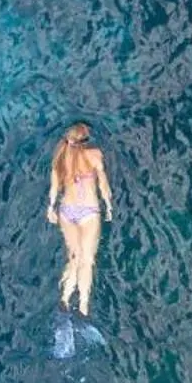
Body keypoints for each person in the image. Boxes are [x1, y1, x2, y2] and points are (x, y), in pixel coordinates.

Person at [46, 123, 112, 316]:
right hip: (89, 211)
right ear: (85, 141)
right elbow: (104, 185)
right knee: (87, 259)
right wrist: (108, 206)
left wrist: (50, 209)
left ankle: (65, 297)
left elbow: (54, 189)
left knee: (74, 256)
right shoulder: (95, 155)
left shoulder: (60, 158)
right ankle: (83, 304)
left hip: (66, 211)